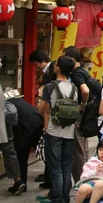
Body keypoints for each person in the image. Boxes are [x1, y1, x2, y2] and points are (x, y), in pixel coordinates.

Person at [40, 56, 78, 203]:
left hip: (53, 131)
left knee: (55, 167)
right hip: (69, 133)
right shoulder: (74, 88)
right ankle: (65, 197)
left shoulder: (50, 87)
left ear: (58, 68)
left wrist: (39, 97)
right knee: (66, 166)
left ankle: (57, 198)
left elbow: (44, 110)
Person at [63, 46, 90, 184]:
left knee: (77, 151)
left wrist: (82, 105)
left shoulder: (76, 74)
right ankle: (86, 180)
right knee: (83, 149)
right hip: (85, 116)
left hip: (78, 115)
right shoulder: (83, 71)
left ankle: (81, 184)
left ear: (72, 59)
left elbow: (85, 91)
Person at [9, 93, 44, 195]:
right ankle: (22, 184)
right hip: (37, 122)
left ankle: (20, 183)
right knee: (24, 155)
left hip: (26, 127)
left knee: (21, 155)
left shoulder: (6, 105)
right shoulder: (14, 100)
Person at [74, 137, 103, 203]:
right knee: (83, 188)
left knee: (99, 183)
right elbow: (83, 177)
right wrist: (95, 171)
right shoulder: (92, 162)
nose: (102, 152)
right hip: (91, 184)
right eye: (100, 149)